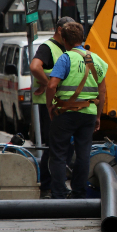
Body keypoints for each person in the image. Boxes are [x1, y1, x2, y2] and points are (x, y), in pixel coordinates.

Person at [45, 22, 107, 199]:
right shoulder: (97, 60)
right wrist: (98, 115)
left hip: (65, 114)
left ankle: (58, 192)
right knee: (83, 154)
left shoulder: (65, 58)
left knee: (58, 154)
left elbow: (52, 84)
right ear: (82, 38)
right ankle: (79, 192)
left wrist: (50, 105)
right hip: (88, 114)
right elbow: (102, 91)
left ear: (64, 40)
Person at [29, 16, 75, 198]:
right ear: (58, 29)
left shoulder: (65, 48)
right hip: (47, 106)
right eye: (67, 30)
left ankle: (54, 185)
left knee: (60, 147)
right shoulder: (48, 48)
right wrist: (49, 84)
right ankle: (48, 186)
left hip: (59, 105)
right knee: (53, 147)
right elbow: (35, 67)